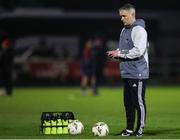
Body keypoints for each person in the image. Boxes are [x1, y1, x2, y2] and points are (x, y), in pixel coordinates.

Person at [106, 3, 149, 137]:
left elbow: (138, 51)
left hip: (138, 72)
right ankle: (129, 129)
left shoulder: (139, 30)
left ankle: (139, 129)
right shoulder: (124, 30)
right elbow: (125, 49)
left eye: (124, 16)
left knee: (138, 102)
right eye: (120, 16)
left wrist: (120, 53)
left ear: (132, 15)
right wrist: (116, 52)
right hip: (126, 72)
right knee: (128, 103)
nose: (122, 19)